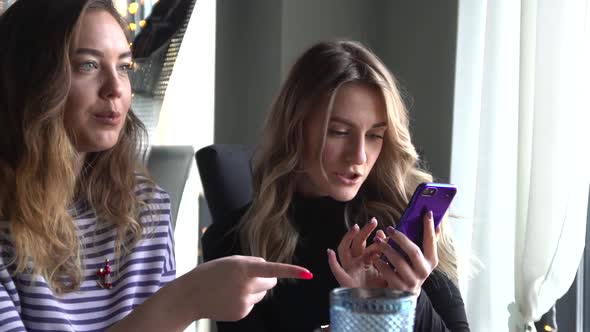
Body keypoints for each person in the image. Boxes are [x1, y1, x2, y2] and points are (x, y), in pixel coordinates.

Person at [0, 1, 312, 331]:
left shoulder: (145, 207)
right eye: (88, 65)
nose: (116, 88)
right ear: (30, 79)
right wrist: (187, 299)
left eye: (123, 67)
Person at [202, 40, 470, 331]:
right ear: (296, 129)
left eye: (375, 136)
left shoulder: (403, 226)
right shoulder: (232, 241)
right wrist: (357, 316)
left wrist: (409, 300)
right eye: (340, 132)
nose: (359, 156)